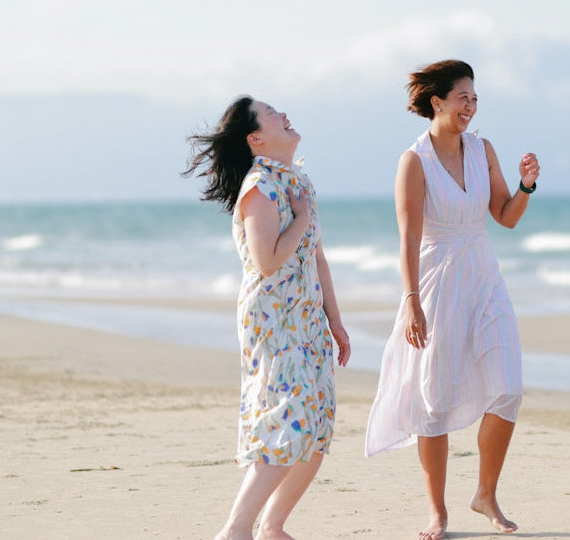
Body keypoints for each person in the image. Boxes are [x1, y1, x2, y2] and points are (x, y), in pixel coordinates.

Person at [365, 60, 540, 540]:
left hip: (484, 277)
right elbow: (407, 238)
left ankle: (485, 494)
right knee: (433, 401)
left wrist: (526, 185)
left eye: (475, 98)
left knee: (508, 386)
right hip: (437, 283)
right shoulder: (414, 162)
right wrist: (411, 300)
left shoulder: (483, 150)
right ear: (437, 102)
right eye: (463, 97)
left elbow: (505, 216)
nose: (471, 106)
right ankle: (437, 512)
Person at [184, 96, 352, 540]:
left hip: (308, 317)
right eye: (272, 112)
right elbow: (268, 262)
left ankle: (272, 527)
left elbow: (317, 258)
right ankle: (235, 530)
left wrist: (335, 321)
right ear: (256, 138)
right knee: (285, 423)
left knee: (316, 428)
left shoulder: (297, 181)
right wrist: (299, 218)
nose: (284, 114)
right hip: (275, 322)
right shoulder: (260, 187)